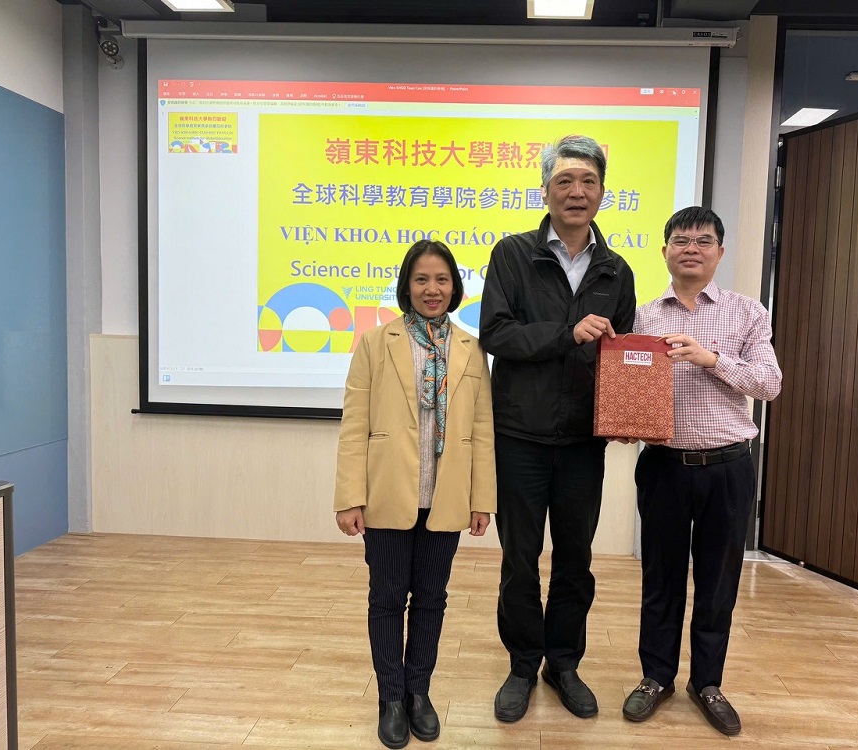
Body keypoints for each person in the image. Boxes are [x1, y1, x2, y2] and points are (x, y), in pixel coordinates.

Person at [479, 135, 636, 722]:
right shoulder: (512, 254)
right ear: (545, 190)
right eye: (565, 181)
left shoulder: (616, 269)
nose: (577, 192)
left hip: (581, 443)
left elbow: (622, 356)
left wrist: (626, 411)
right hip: (519, 435)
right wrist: (565, 334)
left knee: (575, 559)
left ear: (602, 192)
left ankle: (563, 663)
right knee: (519, 559)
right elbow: (496, 334)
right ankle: (523, 664)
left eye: (588, 181)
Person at [619, 206, 781, 735]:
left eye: (703, 240)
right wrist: (622, 418)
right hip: (663, 466)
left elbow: (769, 384)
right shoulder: (644, 317)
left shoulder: (746, 312)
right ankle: (656, 677)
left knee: (717, 583)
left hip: (728, 468)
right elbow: (626, 384)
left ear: (720, 252)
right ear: (665, 250)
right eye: (681, 240)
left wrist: (710, 359)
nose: (692, 248)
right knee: (660, 579)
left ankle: (707, 682)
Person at [334, 239, 496, 749]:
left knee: (431, 599)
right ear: (407, 286)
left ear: (455, 287)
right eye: (422, 279)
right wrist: (349, 496)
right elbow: (354, 424)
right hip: (386, 493)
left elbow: (483, 430)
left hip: (446, 496)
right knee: (386, 599)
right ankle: (391, 698)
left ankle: (419, 691)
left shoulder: (470, 348)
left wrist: (482, 498)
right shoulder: (375, 342)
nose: (432, 289)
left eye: (442, 279)